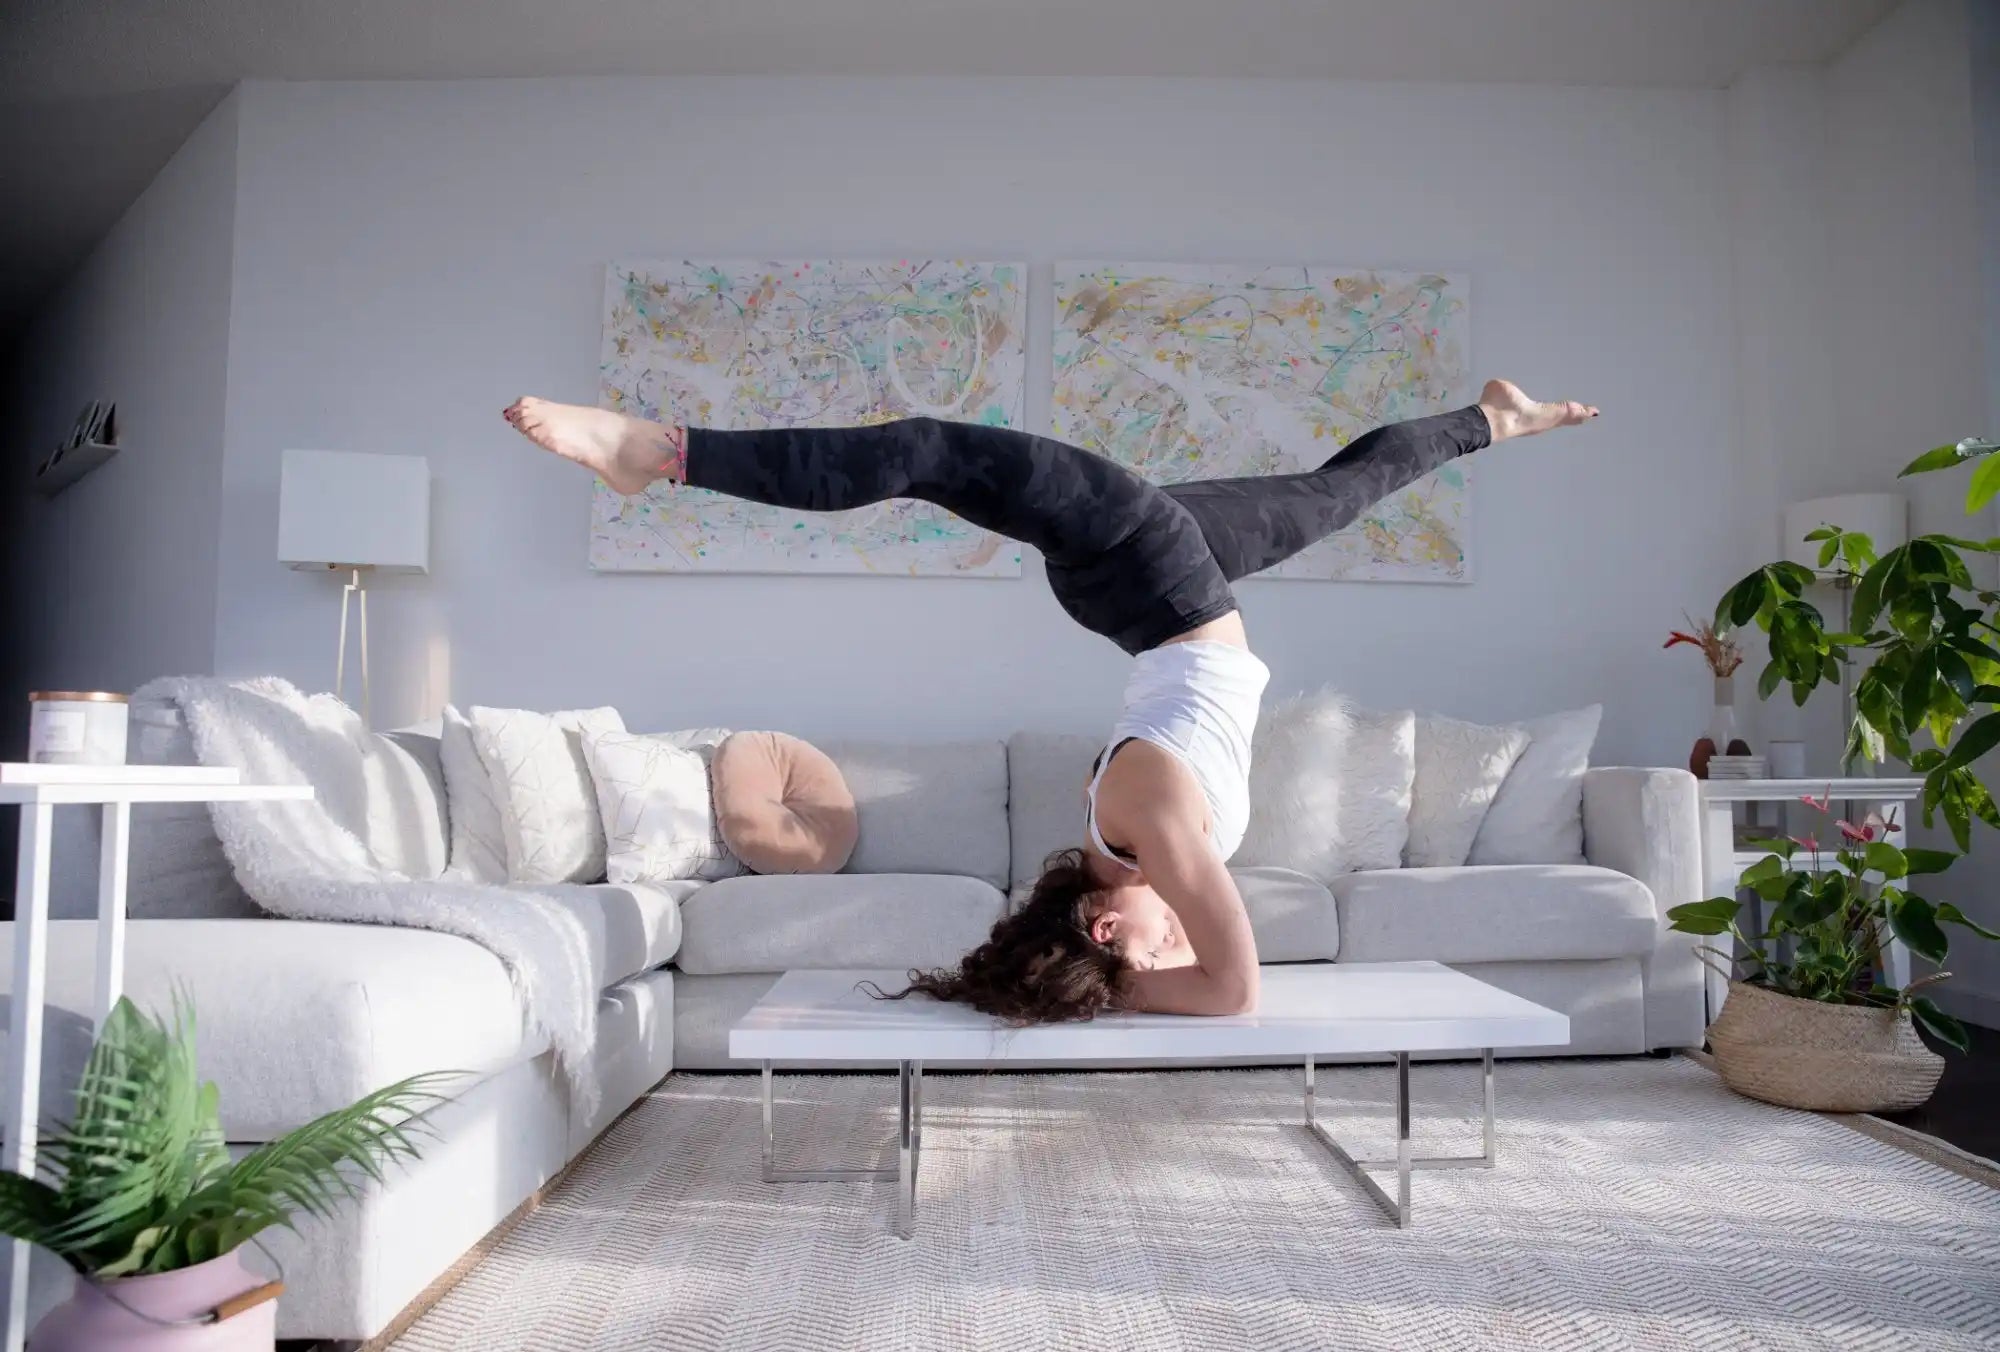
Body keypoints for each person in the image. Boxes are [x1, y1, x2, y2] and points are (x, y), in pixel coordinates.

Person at [503, 380, 1598, 1023]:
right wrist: (1115, 976)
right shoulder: (1130, 843)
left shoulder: (1152, 833)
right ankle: (1489, 418)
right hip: (1175, 584)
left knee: (919, 450)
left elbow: (1232, 989)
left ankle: (654, 451)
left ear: (1106, 918)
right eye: (1157, 953)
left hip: (1148, 568)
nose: (1171, 948)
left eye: (1141, 947)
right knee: (1341, 491)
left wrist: (1125, 981)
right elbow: (1210, 973)